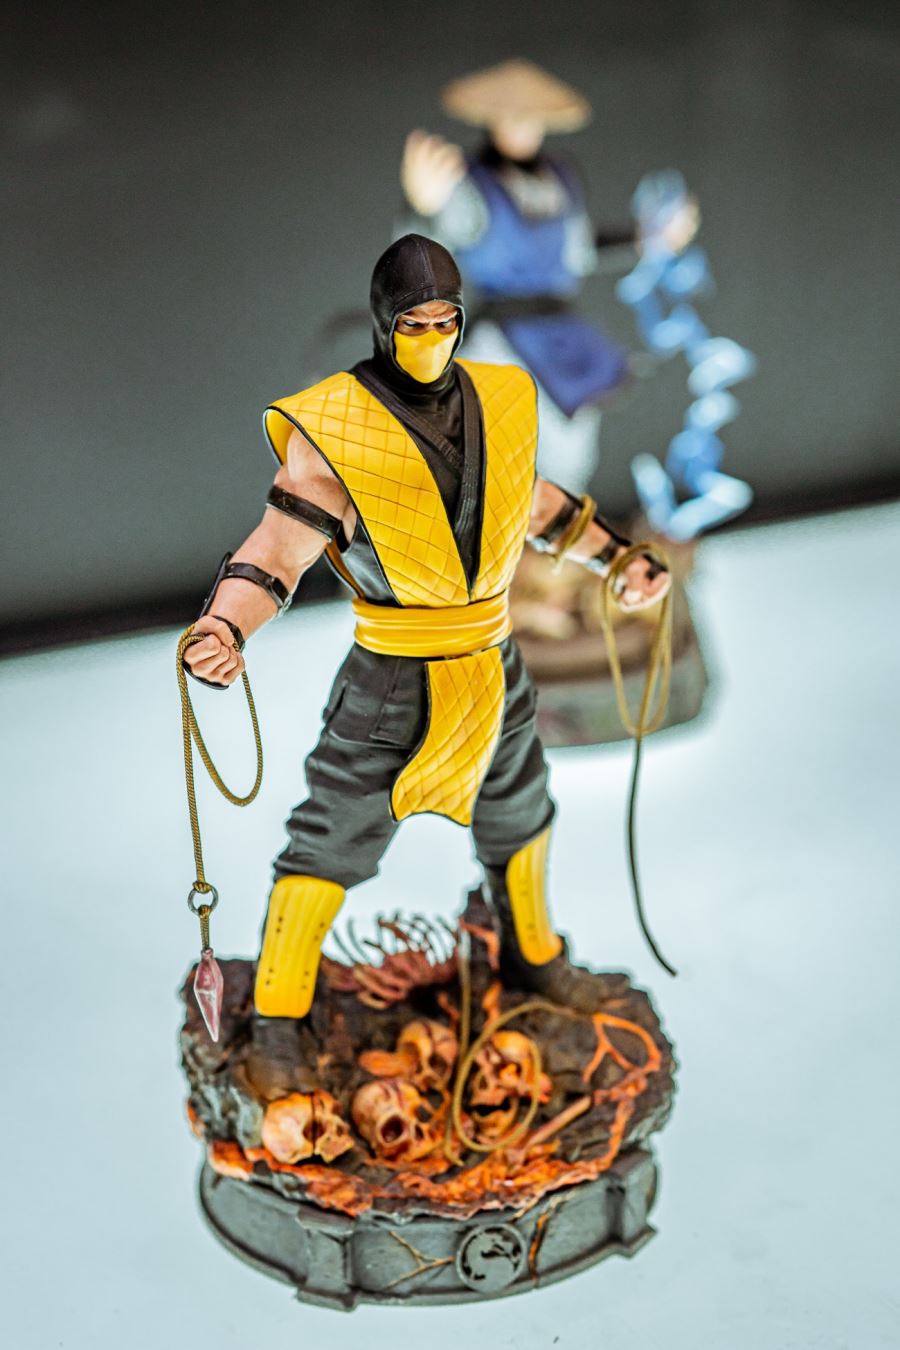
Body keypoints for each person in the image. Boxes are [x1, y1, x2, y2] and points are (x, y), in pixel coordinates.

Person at [183, 234, 669, 1083]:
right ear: (385, 324)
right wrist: (224, 627)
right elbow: (277, 550)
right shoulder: (333, 429)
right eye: (416, 322)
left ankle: (535, 958)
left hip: (492, 665)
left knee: (522, 809)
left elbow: (536, 506)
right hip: (392, 678)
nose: (434, 335)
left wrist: (617, 558)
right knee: (331, 840)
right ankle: (281, 1018)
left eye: (448, 320)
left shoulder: (500, 396)